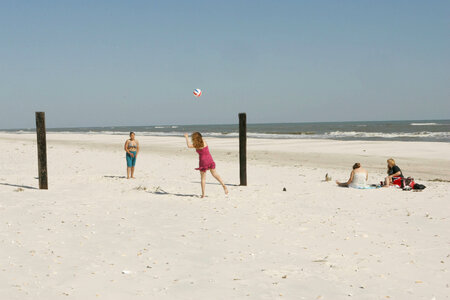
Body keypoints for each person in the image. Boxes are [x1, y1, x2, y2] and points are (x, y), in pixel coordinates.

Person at [184, 132, 228, 198]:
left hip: (203, 161)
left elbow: (188, 145)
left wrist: (186, 137)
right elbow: (199, 138)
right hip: (209, 159)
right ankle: (223, 185)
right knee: (215, 174)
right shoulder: (204, 141)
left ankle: (203, 194)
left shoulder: (196, 145)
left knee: (203, 178)